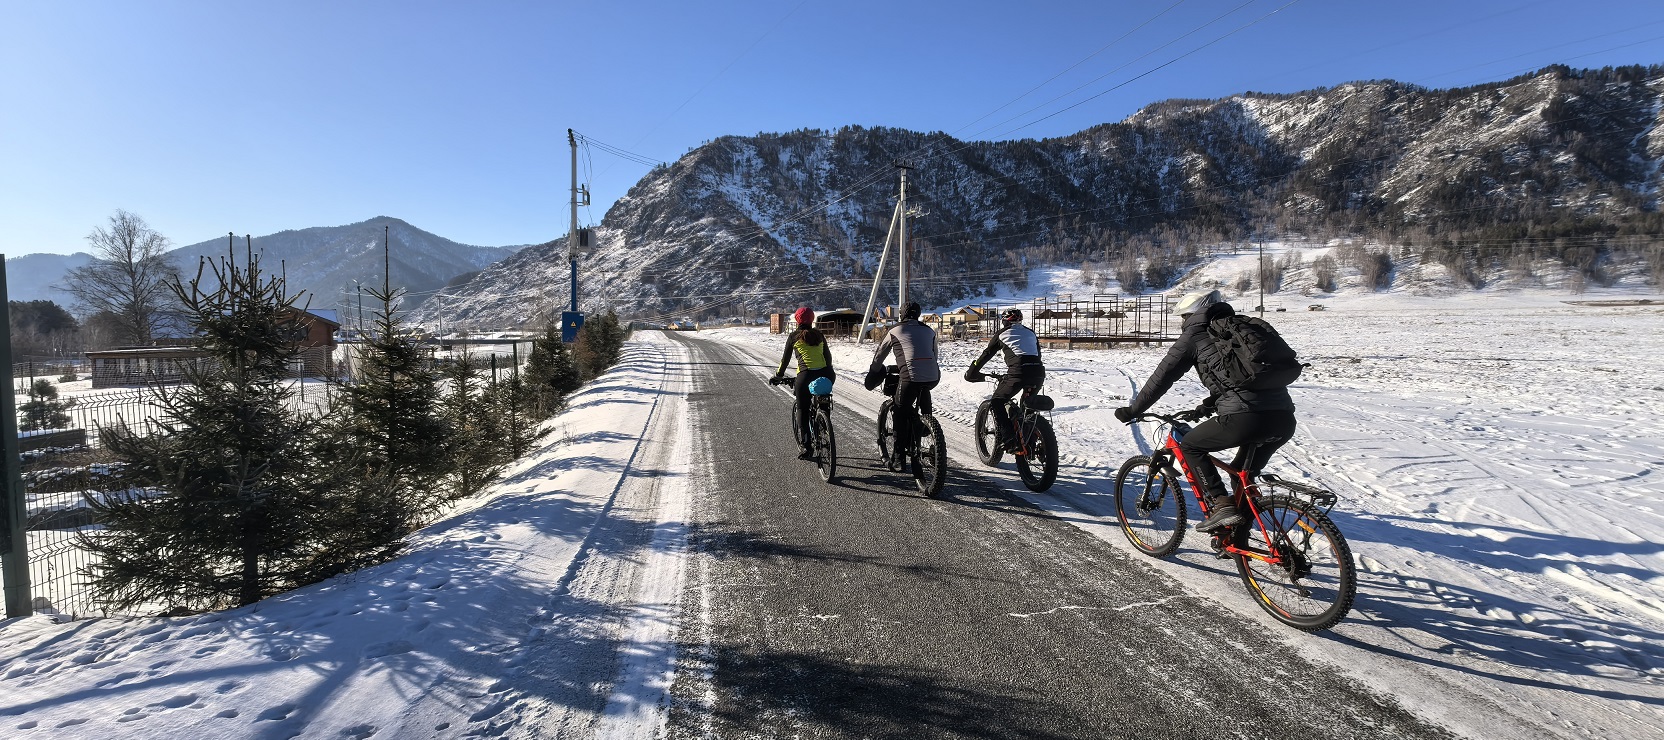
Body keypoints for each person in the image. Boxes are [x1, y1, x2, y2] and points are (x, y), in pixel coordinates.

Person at [1114, 290, 1297, 532]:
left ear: (1190, 314)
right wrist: (1208, 405)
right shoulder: (1236, 329)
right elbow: (1240, 378)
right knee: (1241, 475)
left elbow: (1162, 377)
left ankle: (1222, 506)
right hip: (1283, 418)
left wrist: (1133, 410)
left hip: (1245, 418)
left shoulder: (1194, 335)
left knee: (1190, 445)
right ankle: (1236, 535)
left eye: (1183, 317)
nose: (1182, 322)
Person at [964, 307, 1044, 452]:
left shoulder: (1001, 334)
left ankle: (1008, 439)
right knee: (1027, 407)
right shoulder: (1031, 333)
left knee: (997, 401)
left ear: (1004, 321)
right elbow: (1037, 355)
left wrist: (972, 372)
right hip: (1038, 372)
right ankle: (1030, 440)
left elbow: (986, 355)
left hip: (1018, 373)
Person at [869, 302, 940, 460]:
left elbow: (879, 356)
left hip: (910, 376)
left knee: (900, 411)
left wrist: (873, 373)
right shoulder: (929, 331)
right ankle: (926, 421)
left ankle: (899, 457)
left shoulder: (895, 330)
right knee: (922, 388)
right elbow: (935, 356)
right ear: (918, 314)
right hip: (933, 376)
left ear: (901, 314)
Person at [774, 306, 835, 460]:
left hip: (805, 375)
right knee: (823, 402)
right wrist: (828, 372)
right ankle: (824, 425)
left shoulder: (794, 336)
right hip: (827, 374)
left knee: (802, 408)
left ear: (797, 320)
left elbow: (785, 360)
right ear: (812, 319)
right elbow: (828, 358)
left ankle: (806, 447)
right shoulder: (820, 335)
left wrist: (778, 375)